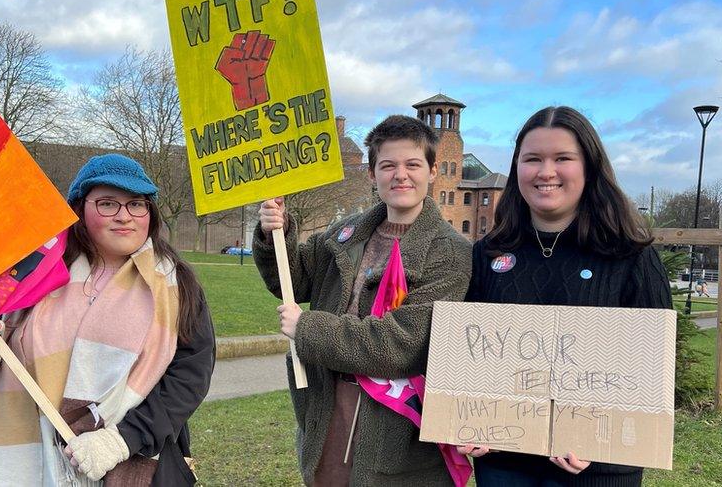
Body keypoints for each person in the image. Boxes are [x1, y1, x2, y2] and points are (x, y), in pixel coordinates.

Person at [0, 154, 215, 486]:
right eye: (108, 204)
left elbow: (189, 378)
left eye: (137, 204)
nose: (125, 217)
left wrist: (120, 440)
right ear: (79, 210)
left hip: (137, 463)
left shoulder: (176, 284)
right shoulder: (35, 273)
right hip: (34, 462)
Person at [458, 106, 672, 486]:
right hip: (506, 463)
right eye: (533, 159)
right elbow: (467, 353)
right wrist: (466, 420)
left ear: (588, 167)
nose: (546, 172)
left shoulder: (631, 255)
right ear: (517, 168)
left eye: (563, 159)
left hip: (599, 467)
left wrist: (598, 439)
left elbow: (652, 366)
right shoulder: (488, 253)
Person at [254, 115, 473, 485]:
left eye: (412, 164)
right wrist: (275, 232)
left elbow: (402, 345)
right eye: (388, 165)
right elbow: (293, 280)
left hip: (397, 423)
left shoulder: (451, 253)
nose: (400, 175)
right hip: (328, 405)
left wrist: (307, 327)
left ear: (433, 171)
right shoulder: (346, 233)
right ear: (372, 175)